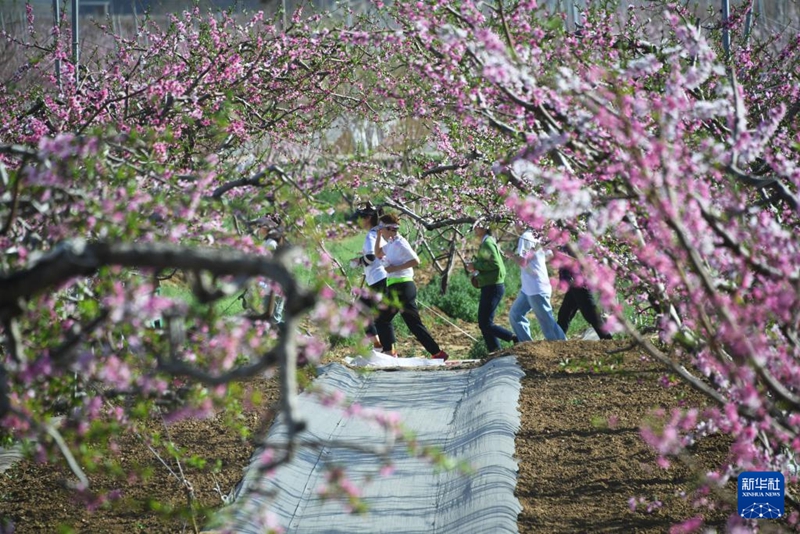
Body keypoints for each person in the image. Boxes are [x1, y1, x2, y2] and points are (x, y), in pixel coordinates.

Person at [373, 213, 449, 361]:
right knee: (412, 324)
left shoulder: (401, 243)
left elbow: (416, 260)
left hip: (403, 287)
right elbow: (377, 253)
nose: (381, 231)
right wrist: (377, 236)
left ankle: (389, 352)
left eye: (382, 228)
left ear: (390, 229)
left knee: (382, 319)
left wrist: (394, 269)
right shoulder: (390, 244)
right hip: (396, 287)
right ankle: (437, 353)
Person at [508, 225, 566, 341]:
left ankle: (563, 350)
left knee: (547, 324)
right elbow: (549, 255)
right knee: (515, 315)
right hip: (529, 288)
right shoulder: (538, 235)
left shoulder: (525, 237)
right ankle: (527, 346)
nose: (514, 227)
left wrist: (511, 255)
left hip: (536, 288)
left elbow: (523, 262)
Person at [467, 218, 517, 352]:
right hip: (490, 285)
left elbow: (495, 264)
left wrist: (475, 265)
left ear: (484, 228)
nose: (475, 229)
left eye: (477, 226)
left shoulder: (487, 243)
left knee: (485, 323)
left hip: (493, 287)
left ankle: (512, 338)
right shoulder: (486, 242)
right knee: (484, 323)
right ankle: (495, 351)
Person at [349, 202, 387, 350]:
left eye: (360, 218)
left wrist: (358, 261)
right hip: (386, 277)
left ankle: (379, 345)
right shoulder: (382, 232)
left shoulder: (371, 235)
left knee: (361, 311)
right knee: (381, 316)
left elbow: (371, 257)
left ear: (368, 218)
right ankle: (384, 346)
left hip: (378, 278)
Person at [556, 246, 613, 340]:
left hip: (580, 282)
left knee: (591, 313)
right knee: (564, 314)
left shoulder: (579, 239)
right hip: (572, 282)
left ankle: (607, 339)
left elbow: (585, 261)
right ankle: (557, 340)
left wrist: (563, 256)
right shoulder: (564, 240)